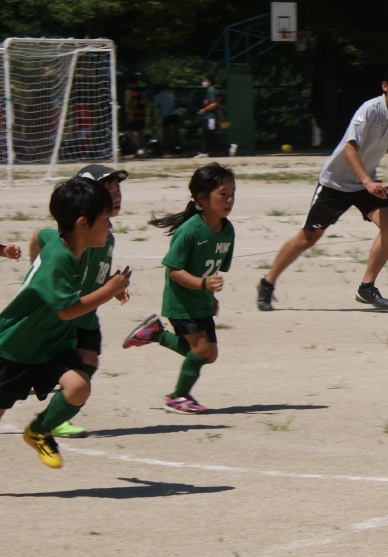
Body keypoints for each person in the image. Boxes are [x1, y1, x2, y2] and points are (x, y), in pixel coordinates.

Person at [256, 59, 388, 311]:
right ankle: (267, 283)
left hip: (365, 182)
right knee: (307, 238)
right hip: (336, 183)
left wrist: (369, 180)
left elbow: (373, 150)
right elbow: (351, 149)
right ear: (385, 85)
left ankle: (367, 287)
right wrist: (367, 181)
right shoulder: (368, 110)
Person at [0, 178, 131, 469]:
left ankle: (38, 431)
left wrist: (108, 287)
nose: (110, 225)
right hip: (17, 346)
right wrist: (108, 290)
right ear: (83, 223)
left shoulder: (73, 245)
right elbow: (68, 311)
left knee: (78, 387)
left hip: (54, 343)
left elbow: (40, 235)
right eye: (105, 218)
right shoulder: (60, 258)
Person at [122, 163, 236, 414]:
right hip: (181, 303)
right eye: (223, 194)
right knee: (201, 351)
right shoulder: (189, 231)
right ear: (201, 199)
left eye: (232, 194)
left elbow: (210, 268)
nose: (229, 199)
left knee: (209, 354)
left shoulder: (227, 230)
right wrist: (203, 284)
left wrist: (210, 295)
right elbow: (174, 272)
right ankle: (178, 397)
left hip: (201, 302)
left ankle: (155, 334)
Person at [28, 164, 129, 439]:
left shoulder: (105, 237)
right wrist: (37, 271)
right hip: (68, 312)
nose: (116, 196)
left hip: (85, 312)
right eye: (108, 191)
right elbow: (38, 237)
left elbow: (96, 272)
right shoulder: (67, 239)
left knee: (90, 360)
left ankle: (56, 416)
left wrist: (112, 287)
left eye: (117, 190)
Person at [196, 76, 233, 158]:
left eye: (205, 81)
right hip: (207, 116)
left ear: (209, 82)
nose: (203, 82)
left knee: (212, 134)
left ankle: (230, 146)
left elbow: (215, 104)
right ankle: (204, 152)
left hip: (211, 117)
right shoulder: (208, 91)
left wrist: (204, 110)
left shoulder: (212, 91)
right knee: (204, 134)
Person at [155, 87, 181, 153]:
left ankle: (167, 145)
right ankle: (178, 144)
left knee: (166, 131)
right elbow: (174, 102)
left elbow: (158, 106)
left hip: (165, 114)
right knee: (176, 129)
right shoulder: (169, 94)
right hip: (173, 113)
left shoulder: (157, 96)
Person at [127, 76, 147, 157]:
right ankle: (143, 150)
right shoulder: (142, 90)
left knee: (128, 130)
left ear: (131, 83)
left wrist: (132, 114)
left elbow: (134, 102)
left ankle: (139, 147)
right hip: (142, 113)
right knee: (140, 131)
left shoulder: (134, 91)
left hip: (137, 113)